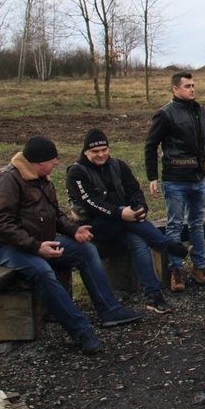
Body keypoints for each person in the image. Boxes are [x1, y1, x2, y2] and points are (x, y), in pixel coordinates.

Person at [0, 136, 144, 355]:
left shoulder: (41, 179)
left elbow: (55, 214)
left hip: (41, 239)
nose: (56, 164)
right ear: (39, 162)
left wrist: (73, 230)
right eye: (52, 160)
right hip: (5, 246)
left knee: (86, 249)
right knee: (41, 271)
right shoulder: (6, 180)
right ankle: (82, 331)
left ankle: (110, 310)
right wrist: (35, 247)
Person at [67, 128, 191, 315]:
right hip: (94, 227)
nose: (101, 154)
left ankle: (154, 296)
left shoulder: (118, 165)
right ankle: (168, 245)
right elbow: (91, 203)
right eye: (95, 151)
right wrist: (119, 213)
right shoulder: (76, 173)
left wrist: (140, 208)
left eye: (104, 149)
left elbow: (134, 189)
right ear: (86, 152)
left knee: (139, 243)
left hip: (124, 223)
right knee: (129, 223)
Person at [145, 72, 205, 292]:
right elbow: (150, 145)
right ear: (175, 89)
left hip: (198, 179)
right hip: (174, 180)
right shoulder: (165, 114)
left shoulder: (202, 112)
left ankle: (200, 267)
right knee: (174, 225)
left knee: (197, 224)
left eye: (193, 85)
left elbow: (203, 145)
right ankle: (176, 269)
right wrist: (153, 177)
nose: (192, 89)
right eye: (187, 86)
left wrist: (200, 170)